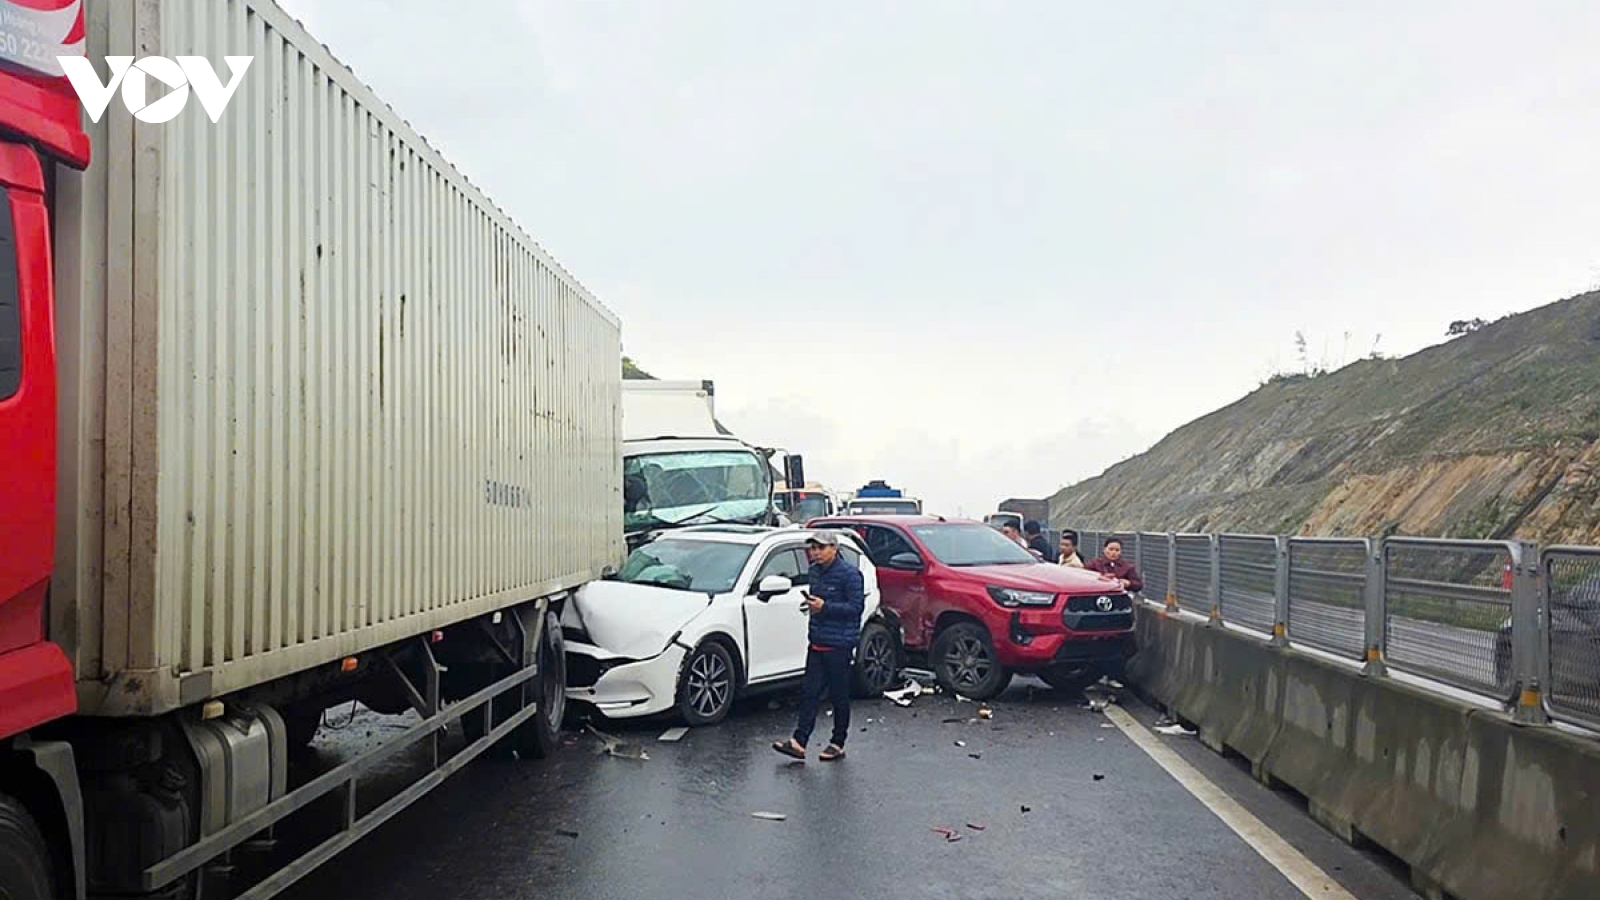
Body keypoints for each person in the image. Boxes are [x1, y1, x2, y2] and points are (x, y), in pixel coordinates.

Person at [773, 531, 864, 762]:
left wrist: (825, 607)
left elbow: (855, 608)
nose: (816, 553)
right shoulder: (814, 572)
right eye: (813, 548)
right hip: (817, 641)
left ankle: (837, 742)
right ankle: (799, 742)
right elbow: (818, 603)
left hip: (839, 645)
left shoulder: (850, 575)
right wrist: (812, 606)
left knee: (838, 695)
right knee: (809, 694)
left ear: (834, 548)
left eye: (821, 548)